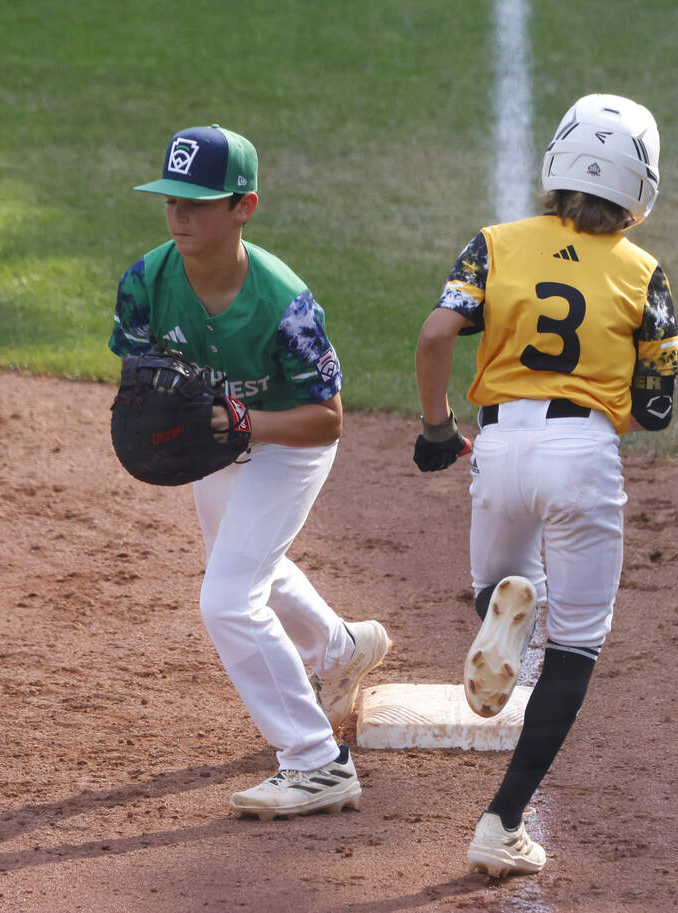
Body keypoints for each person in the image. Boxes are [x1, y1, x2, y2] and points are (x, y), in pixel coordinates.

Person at [413, 94, 678, 876]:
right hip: (582, 451)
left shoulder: (493, 246)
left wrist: (436, 430)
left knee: (495, 584)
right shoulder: (645, 274)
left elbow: (436, 334)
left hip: (498, 444)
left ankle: (505, 611)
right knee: (577, 644)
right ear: (641, 187)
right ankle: (503, 819)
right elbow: (657, 408)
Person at [110, 124, 391, 820]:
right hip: (219, 445)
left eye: (199, 202)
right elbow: (140, 380)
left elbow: (327, 418)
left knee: (229, 599)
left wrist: (240, 423)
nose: (180, 214)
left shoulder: (283, 302)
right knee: (244, 566)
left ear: (245, 206)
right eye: (172, 199)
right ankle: (342, 646)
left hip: (287, 442)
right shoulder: (146, 282)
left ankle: (316, 760)